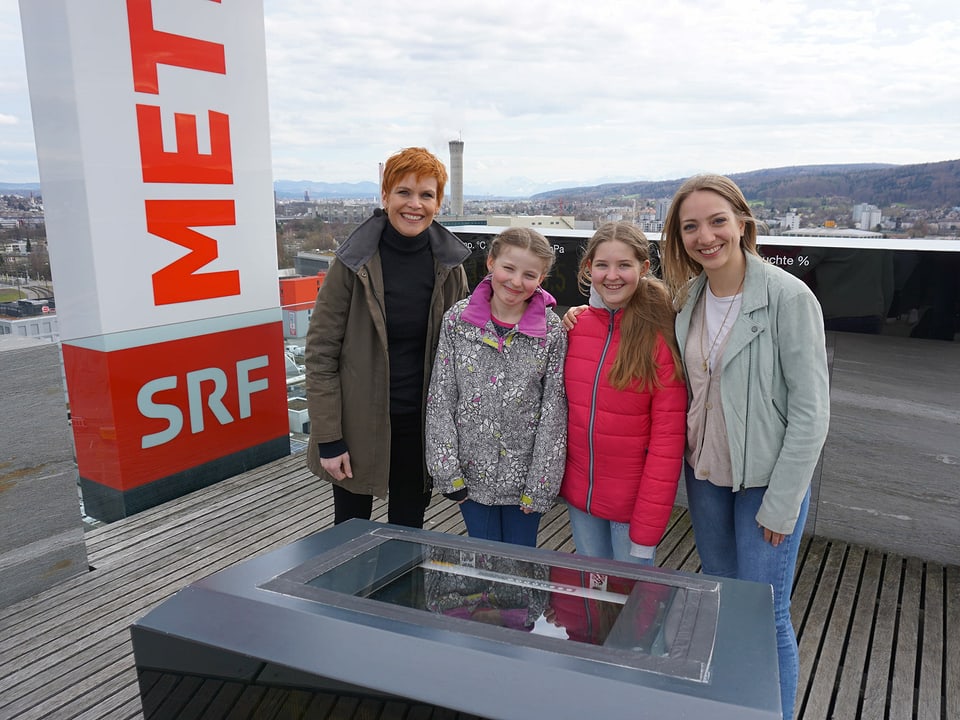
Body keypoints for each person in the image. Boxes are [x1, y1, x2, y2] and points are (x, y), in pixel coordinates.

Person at [660, 174, 830, 720]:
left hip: (766, 485)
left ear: (742, 224)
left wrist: (783, 501)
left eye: (716, 222)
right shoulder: (688, 297)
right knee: (723, 603)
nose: (705, 236)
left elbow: (811, 412)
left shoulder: (787, 297)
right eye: (691, 227)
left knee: (765, 613)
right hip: (707, 478)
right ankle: (734, 707)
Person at [304, 147, 471, 528]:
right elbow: (320, 354)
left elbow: (469, 339)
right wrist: (330, 438)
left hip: (420, 426)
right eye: (404, 192)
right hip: (358, 424)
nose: (415, 204)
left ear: (438, 203)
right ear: (384, 197)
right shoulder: (352, 264)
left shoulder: (449, 265)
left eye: (426, 195)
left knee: (409, 532)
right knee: (350, 532)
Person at [425, 227, 567, 547]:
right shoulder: (458, 321)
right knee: (483, 560)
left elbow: (554, 411)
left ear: (541, 278)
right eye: (509, 268)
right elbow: (441, 397)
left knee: (520, 563)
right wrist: (447, 471)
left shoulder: (551, 330)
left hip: (525, 479)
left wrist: (541, 484)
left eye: (529, 274)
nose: (516, 282)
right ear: (491, 263)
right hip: (471, 476)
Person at [560, 222, 687, 565]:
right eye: (602, 265)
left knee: (632, 610)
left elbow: (666, 445)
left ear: (644, 269)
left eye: (624, 266)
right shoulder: (576, 327)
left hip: (630, 512)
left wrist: (645, 534)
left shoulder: (659, 337)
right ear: (588, 268)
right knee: (591, 594)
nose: (611, 276)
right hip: (580, 500)